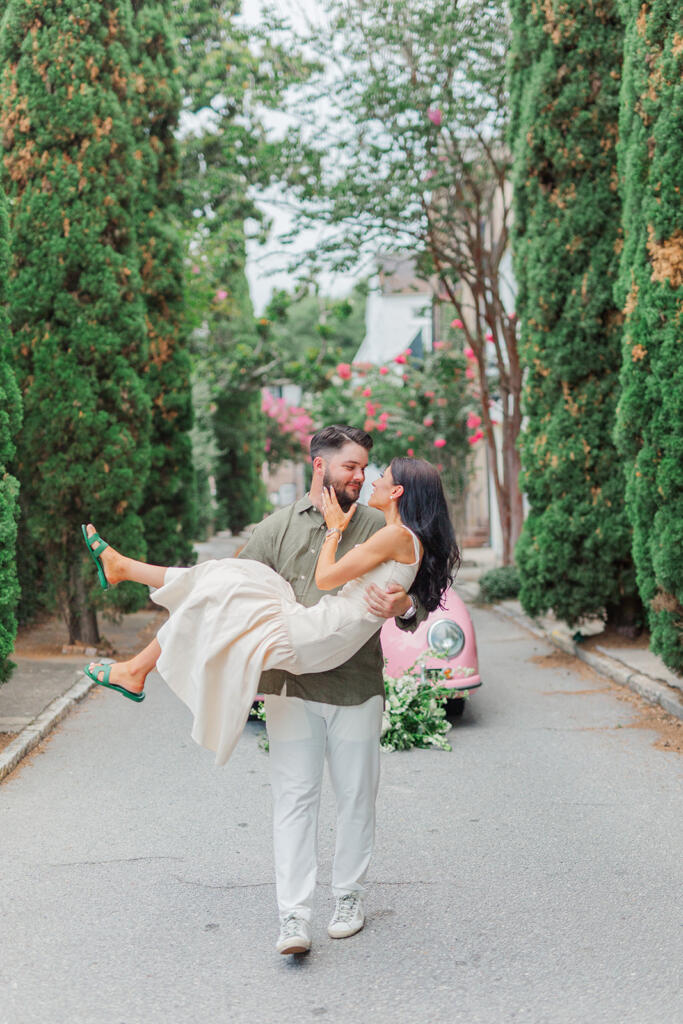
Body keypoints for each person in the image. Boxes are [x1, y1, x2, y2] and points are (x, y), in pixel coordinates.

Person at [83, 426, 459, 954]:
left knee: (356, 799)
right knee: (293, 799)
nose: (361, 476)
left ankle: (347, 897)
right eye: (351, 466)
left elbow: (421, 593)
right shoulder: (274, 528)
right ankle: (294, 916)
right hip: (291, 683)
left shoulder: (380, 523)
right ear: (318, 466)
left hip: (354, 683)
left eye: (367, 469)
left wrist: (405, 607)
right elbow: (222, 582)